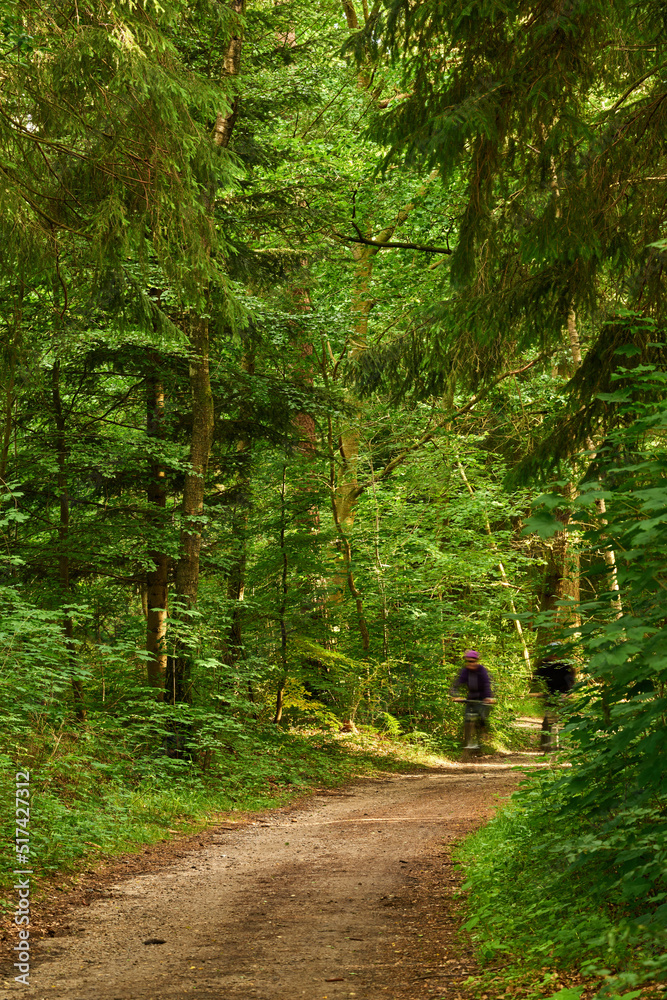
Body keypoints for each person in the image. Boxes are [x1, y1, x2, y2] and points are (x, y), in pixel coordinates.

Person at [450, 649, 495, 749]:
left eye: (472, 661)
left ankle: (482, 734)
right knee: (467, 718)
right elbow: (457, 683)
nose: (470, 664)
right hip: (471, 697)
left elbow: (487, 684)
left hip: (483, 697)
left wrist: (488, 697)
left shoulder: (482, 670)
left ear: (477, 661)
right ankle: (467, 740)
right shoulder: (465, 671)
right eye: (468, 661)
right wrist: (455, 694)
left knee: (482, 717)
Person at [535, 643, 575, 752]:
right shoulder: (544, 664)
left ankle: (564, 744)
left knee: (562, 719)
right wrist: (538, 691)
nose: (554, 657)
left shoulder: (566, 665)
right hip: (549, 694)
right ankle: (546, 746)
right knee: (548, 720)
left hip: (563, 694)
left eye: (556, 654)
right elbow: (537, 679)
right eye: (552, 654)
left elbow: (570, 681)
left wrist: (568, 693)